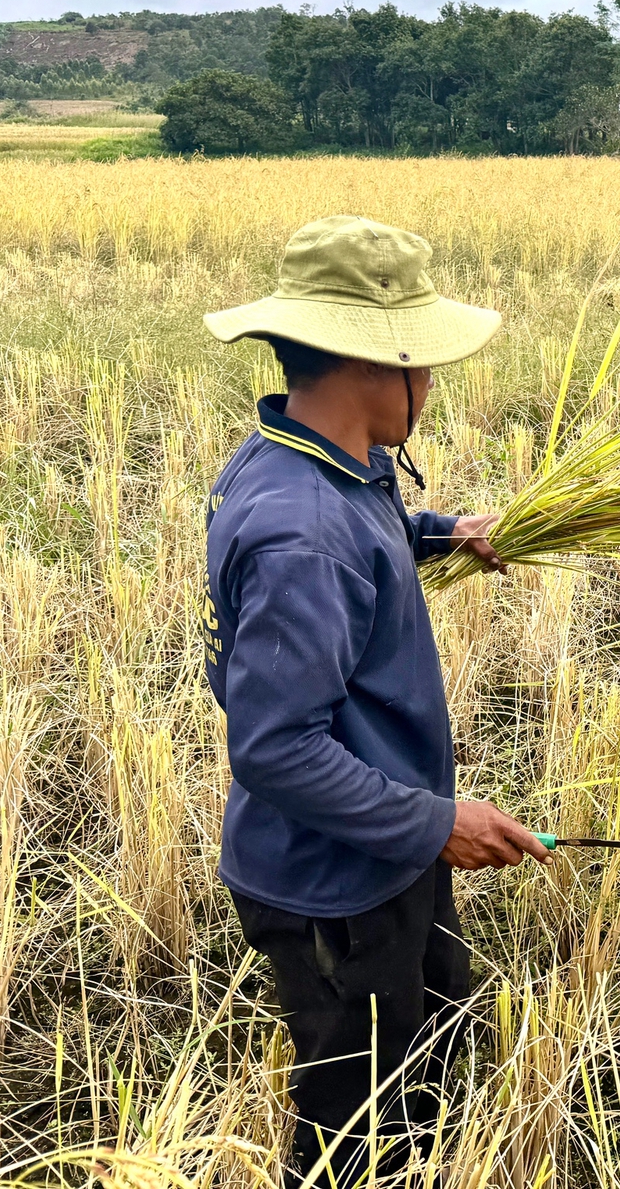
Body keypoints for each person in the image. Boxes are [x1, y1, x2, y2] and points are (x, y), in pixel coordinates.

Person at [201, 215, 550, 1185]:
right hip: (332, 888)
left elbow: (375, 524)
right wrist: (439, 823)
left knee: (428, 1043)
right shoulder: (300, 534)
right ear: (371, 363)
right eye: (424, 364)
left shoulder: (320, 459)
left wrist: (442, 534)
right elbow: (275, 751)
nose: (432, 387)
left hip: (380, 849)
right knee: (353, 1124)